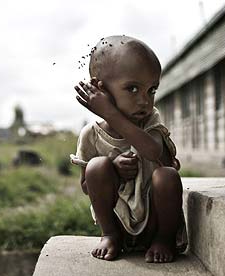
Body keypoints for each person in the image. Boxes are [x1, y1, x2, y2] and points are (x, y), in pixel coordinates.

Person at [71, 35, 187, 263]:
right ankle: (109, 236)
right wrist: (113, 169)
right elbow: (87, 186)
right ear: (100, 89)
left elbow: (154, 152)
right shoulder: (91, 135)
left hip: (155, 223)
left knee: (167, 176)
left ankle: (164, 240)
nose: (145, 101)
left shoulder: (151, 121)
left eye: (151, 90)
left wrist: (111, 114)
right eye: (132, 88)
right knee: (97, 166)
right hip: (118, 223)